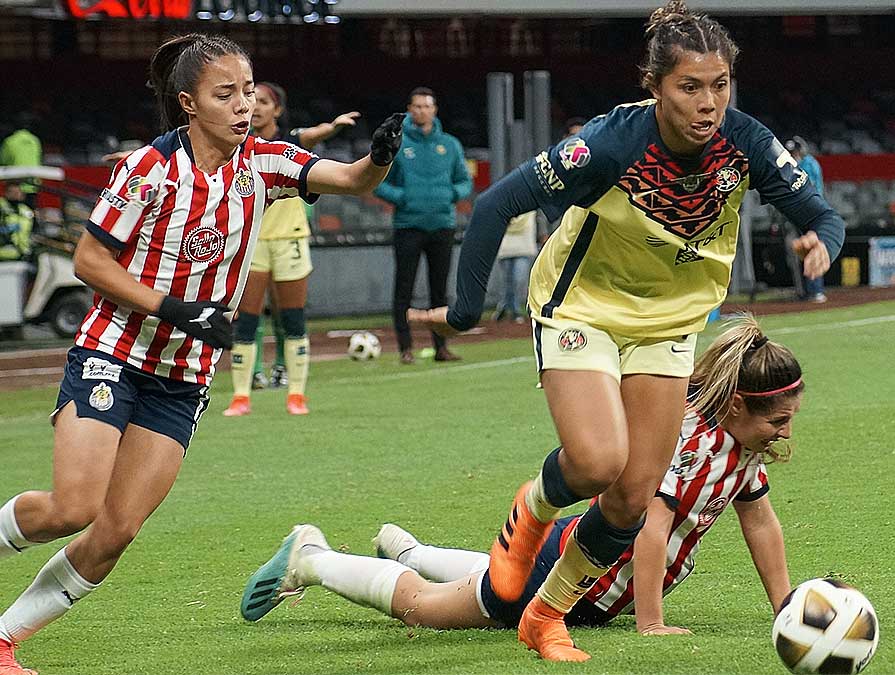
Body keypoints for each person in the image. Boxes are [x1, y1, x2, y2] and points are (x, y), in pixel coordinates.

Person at [408, 0, 844, 661]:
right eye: (689, 87)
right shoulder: (609, 144)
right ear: (655, 86)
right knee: (595, 461)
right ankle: (530, 512)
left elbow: (820, 213)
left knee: (634, 495)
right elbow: (497, 202)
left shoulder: (748, 143)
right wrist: (465, 312)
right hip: (582, 305)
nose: (708, 104)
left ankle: (544, 615)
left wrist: (821, 241)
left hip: (668, 325)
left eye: (719, 85)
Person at [0, 33, 404, 675]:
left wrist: (378, 159)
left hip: (182, 379)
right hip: (116, 351)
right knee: (73, 507)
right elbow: (88, 259)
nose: (244, 105)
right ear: (189, 103)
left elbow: (352, 180)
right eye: (227, 94)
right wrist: (173, 308)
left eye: (248, 91)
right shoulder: (147, 169)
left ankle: (3, 639)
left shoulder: (265, 162)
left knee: (116, 533)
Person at [240, 315, 798, 639]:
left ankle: (409, 552)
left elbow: (761, 523)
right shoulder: (695, 444)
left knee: (489, 575)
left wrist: (784, 606)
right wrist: (650, 622)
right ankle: (312, 559)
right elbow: (650, 530)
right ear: (734, 407)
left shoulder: (740, 448)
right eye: (776, 419)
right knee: (427, 610)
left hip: (581, 558)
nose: (783, 431)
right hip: (573, 577)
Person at [223, 81, 361, 417]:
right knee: (245, 322)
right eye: (253, 100)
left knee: (293, 319)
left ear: (278, 111)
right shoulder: (236, 144)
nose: (255, 107)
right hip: (253, 242)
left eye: (264, 102)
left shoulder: (288, 144)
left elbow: (311, 136)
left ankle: (296, 394)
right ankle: (241, 396)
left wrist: (331, 128)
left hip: (290, 239)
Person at [374, 87, 472, 364]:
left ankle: (441, 346)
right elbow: (378, 181)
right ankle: (405, 347)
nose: (422, 111)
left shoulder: (450, 145)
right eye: (416, 107)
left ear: (435, 110)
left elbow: (464, 181)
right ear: (409, 110)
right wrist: (403, 198)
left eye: (426, 106)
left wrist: (450, 195)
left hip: (442, 224)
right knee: (403, 288)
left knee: (439, 289)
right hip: (409, 225)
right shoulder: (398, 143)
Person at [784, 137, 827, 303]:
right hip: (797, 213)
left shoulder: (809, 164)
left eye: (795, 151)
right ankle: (804, 290)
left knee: (812, 249)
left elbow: (810, 188)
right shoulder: (793, 165)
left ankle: (816, 290)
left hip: (811, 212)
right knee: (798, 252)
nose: (793, 154)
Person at [492, 211, 538, 322]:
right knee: (506, 281)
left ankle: (512, 308)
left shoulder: (530, 203)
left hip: (524, 246)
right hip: (505, 246)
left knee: (518, 279)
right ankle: (505, 307)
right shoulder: (504, 202)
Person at [0, 116, 42, 209]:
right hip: (32, 185)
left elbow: (3, 162)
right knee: (30, 216)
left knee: (14, 217)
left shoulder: (9, 141)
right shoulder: (35, 141)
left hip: (15, 187)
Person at [0, 182, 34, 261]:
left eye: (19, 192)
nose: (18, 194)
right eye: (14, 192)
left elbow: (29, 229)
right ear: (7, 193)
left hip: (22, 251)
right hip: (4, 249)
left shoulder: (25, 209)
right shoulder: (1, 205)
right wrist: (4, 230)